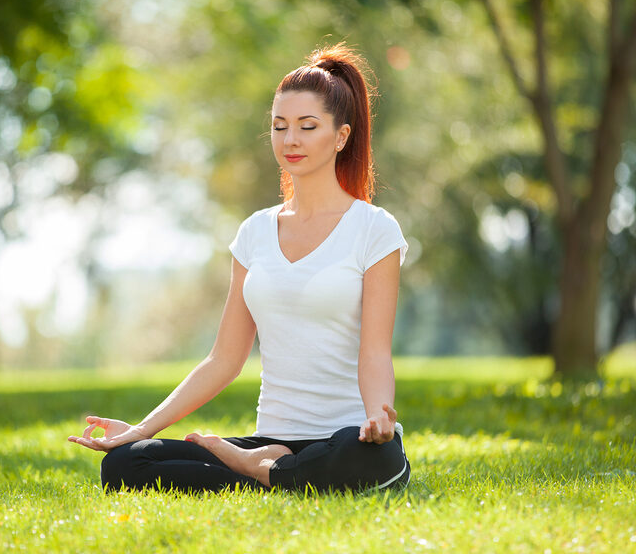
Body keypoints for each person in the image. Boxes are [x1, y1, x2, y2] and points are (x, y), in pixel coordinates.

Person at [69, 43, 410, 493]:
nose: (291, 140)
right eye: (279, 126)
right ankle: (275, 471)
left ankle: (257, 472)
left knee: (377, 458)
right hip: (269, 438)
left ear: (341, 137)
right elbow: (224, 359)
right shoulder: (254, 233)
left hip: (347, 436)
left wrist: (377, 415)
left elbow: (374, 352)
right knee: (126, 465)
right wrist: (140, 430)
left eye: (308, 127)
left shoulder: (374, 229)